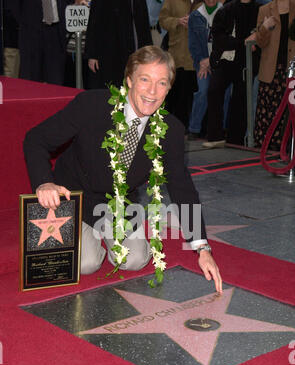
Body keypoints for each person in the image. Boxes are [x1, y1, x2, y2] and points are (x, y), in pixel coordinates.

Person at [23, 45, 222, 294]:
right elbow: (36, 139)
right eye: (145, 80)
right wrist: (44, 183)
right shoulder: (91, 105)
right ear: (129, 81)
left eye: (162, 83)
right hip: (74, 196)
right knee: (87, 263)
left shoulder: (170, 130)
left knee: (136, 259)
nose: (152, 91)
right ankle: (89, 241)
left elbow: (182, 187)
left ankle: (101, 237)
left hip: (117, 203)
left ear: (169, 88)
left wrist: (202, 248)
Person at [202, 0, 260, 148]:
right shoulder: (226, 9)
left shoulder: (260, 10)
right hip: (224, 60)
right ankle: (215, 136)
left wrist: (253, 44)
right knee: (214, 91)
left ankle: (236, 140)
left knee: (240, 99)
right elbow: (219, 39)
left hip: (246, 62)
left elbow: (261, 37)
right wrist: (242, 42)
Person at [8, 0, 85, 86]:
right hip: (31, 32)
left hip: (56, 30)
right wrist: (26, 23)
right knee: (31, 76)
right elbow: (13, 4)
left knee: (56, 76)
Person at [254, 0, 295, 150]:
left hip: (291, 70)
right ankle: (266, 149)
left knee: (288, 114)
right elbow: (260, 42)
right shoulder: (264, 9)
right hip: (271, 71)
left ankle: (287, 150)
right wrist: (265, 28)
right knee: (268, 114)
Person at [85, 0, 152, 89]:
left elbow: (143, 22)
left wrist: (148, 52)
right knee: (109, 88)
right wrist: (92, 54)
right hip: (108, 51)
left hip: (133, 50)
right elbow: (94, 21)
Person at [159, 0, 200, 130]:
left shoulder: (205, 2)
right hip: (176, 55)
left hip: (197, 57)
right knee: (173, 94)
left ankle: (186, 128)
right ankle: (169, 128)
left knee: (190, 94)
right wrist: (177, 21)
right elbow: (163, 20)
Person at [188, 0, 225, 138]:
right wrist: (202, 61)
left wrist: (212, 60)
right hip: (202, 62)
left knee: (224, 93)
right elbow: (192, 44)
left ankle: (222, 129)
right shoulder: (195, 16)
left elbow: (227, 39)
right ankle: (194, 128)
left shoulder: (225, 12)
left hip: (222, 61)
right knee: (203, 91)